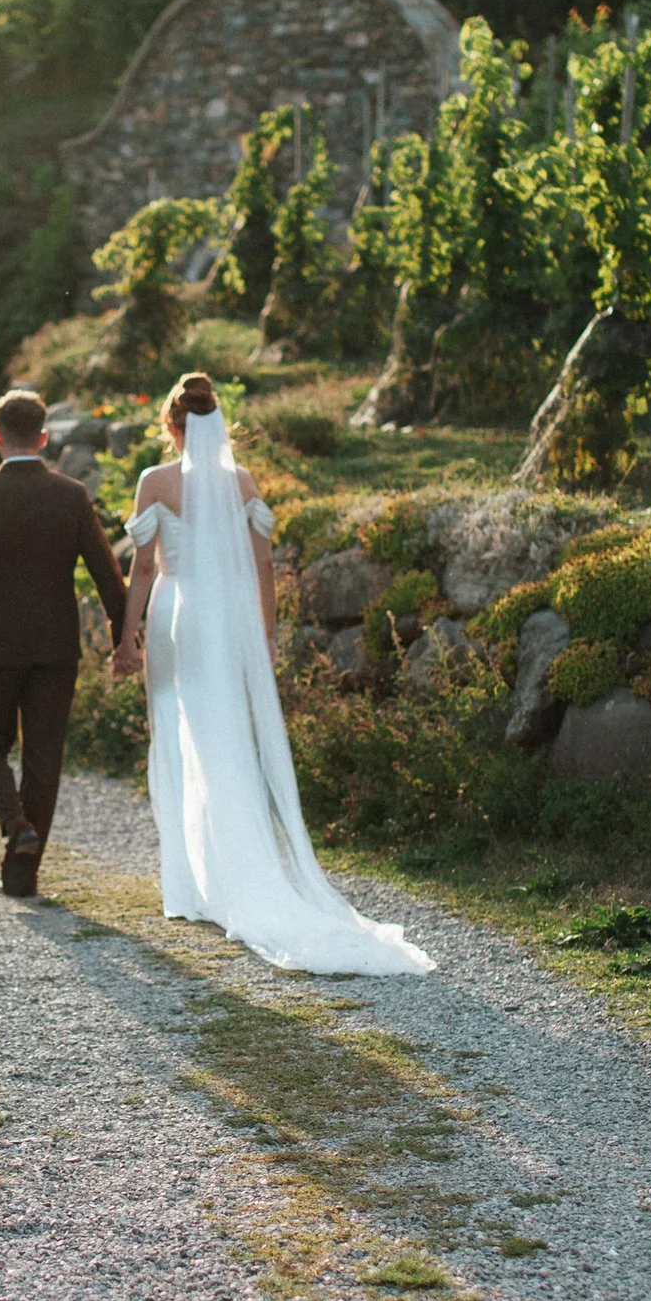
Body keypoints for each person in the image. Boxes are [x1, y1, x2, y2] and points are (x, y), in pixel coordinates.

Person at [111, 372, 432, 977]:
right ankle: (228, 871)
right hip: (229, 617)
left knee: (179, 736)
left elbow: (144, 571)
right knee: (226, 737)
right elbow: (263, 566)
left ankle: (194, 884)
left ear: (171, 425)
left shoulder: (155, 481)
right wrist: (265, 632)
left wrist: (126, 637)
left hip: (179, 614)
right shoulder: (241, 482)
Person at [0, 387, 128, 897]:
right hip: (56, 647)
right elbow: (107, 574)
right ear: (43, 438)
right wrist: (124, 638)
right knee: (44, 758)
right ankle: (22, 876)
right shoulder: (71, 496)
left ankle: (15, 825)